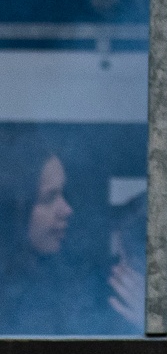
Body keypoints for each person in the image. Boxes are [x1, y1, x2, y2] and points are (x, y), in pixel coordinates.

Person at [0, 138, 143, 335]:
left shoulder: (79, 282)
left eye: (63, 194)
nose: (67, 209)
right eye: (49, 198)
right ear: (14, 209)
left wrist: (144, 323)